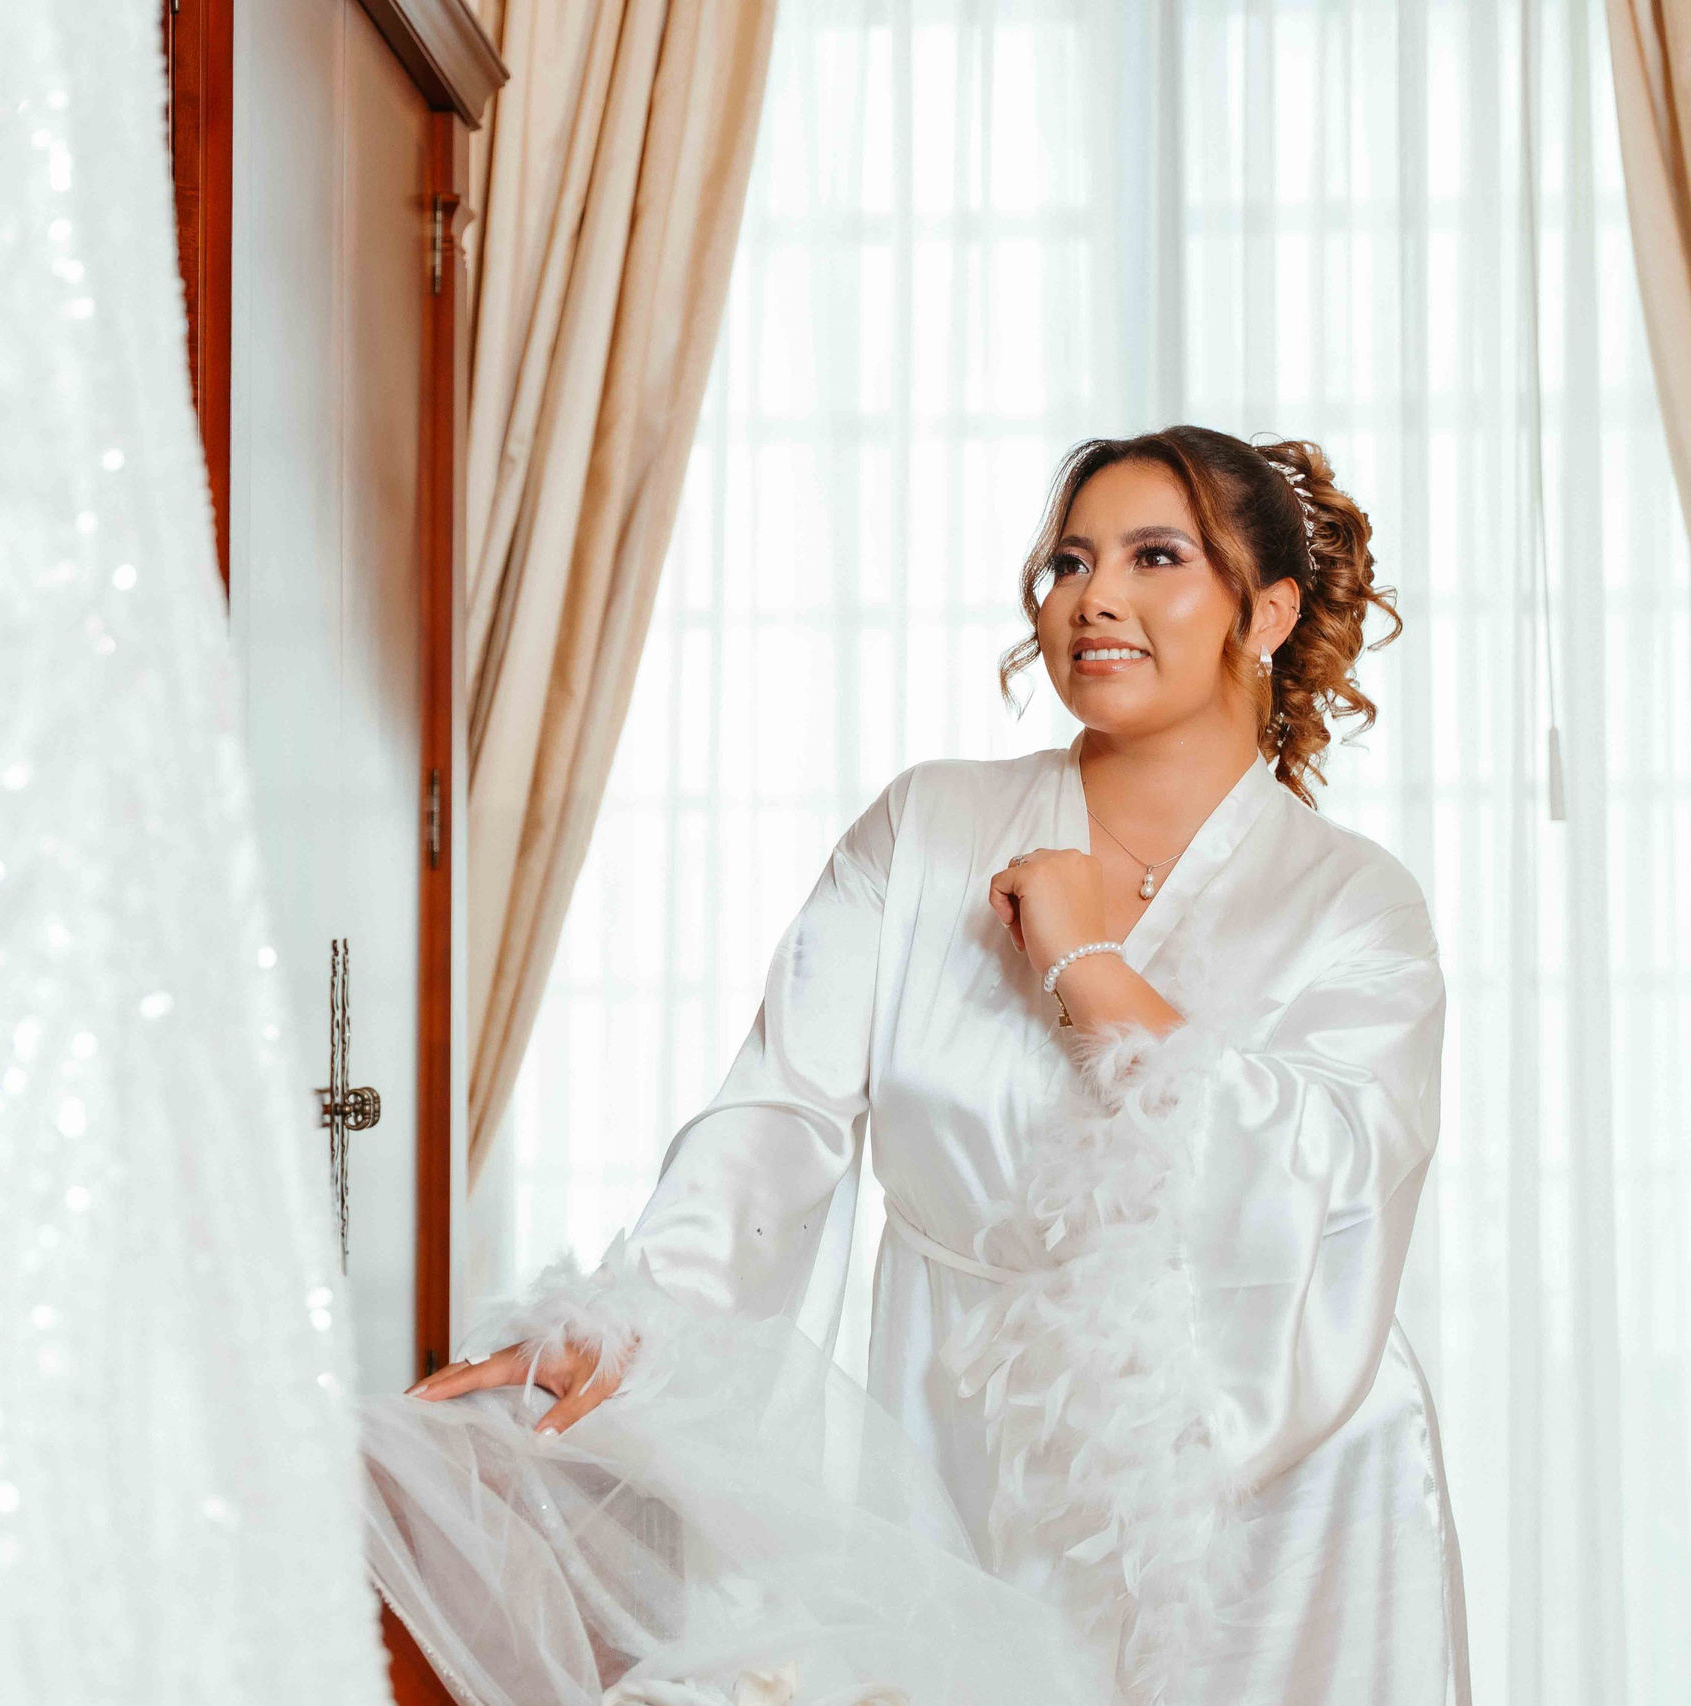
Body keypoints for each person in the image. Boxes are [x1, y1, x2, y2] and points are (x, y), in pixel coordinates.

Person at [393, 427, 1469, 1706]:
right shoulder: (929, 829)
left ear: (1270, 611)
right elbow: (777, 1113)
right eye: (1069, 561)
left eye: (1154, 556)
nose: (1094, 596)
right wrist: (624, 1317)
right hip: (952, 1443)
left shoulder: (1352, 903)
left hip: (1275, 1505)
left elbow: (1327, 1184)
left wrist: (1088, 969)